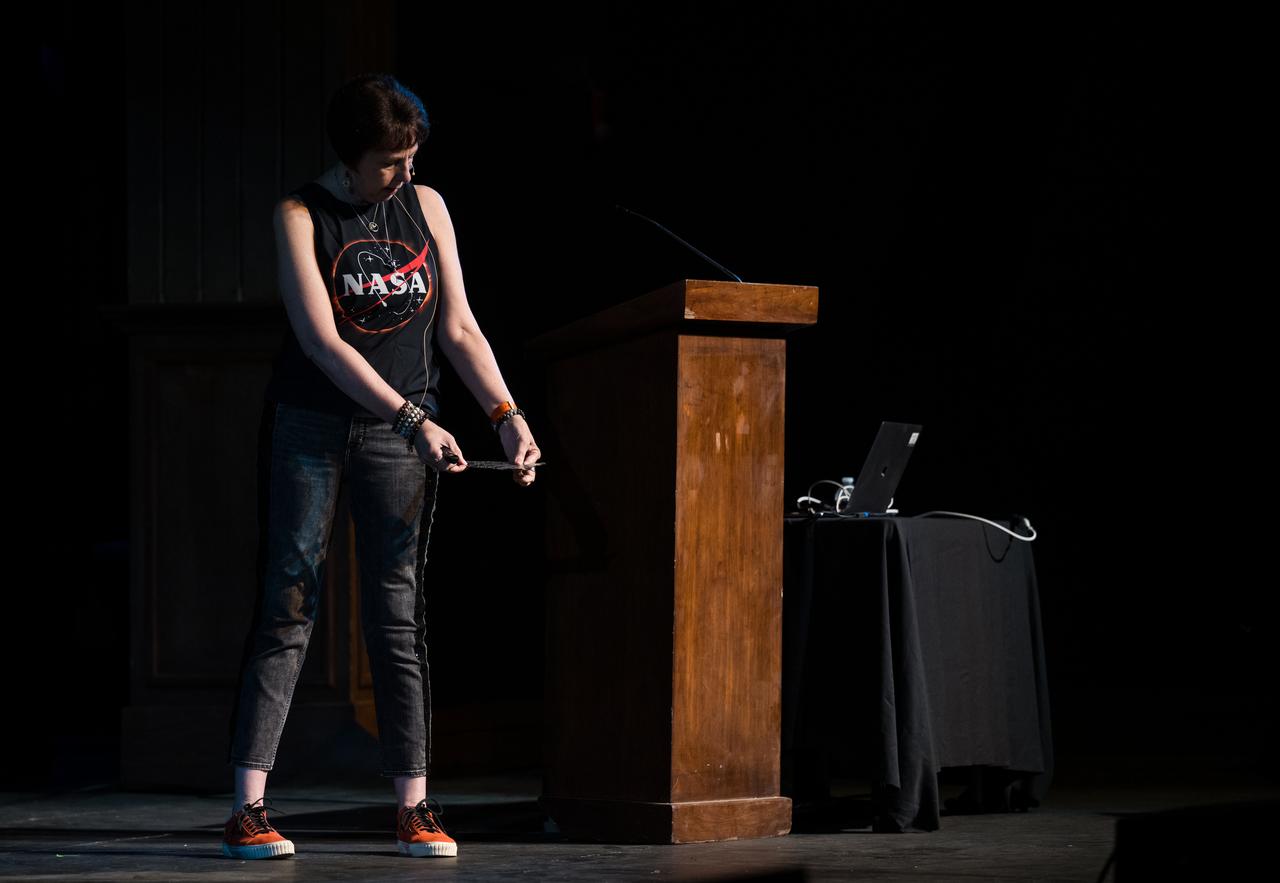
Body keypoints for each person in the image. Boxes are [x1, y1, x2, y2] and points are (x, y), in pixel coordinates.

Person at [222, 72, 539, 860]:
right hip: (314, 429)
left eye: (411, 158)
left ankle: (414, 805)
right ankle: (248, 808)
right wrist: (412, 416)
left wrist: (506, 415)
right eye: (391, 163)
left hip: (405, 436)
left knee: (398, 615)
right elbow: (323, 344)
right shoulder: (300, 216)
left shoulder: (426, 207)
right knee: (288, 602)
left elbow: (459, 326)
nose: (406, 175)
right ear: (352, 158)